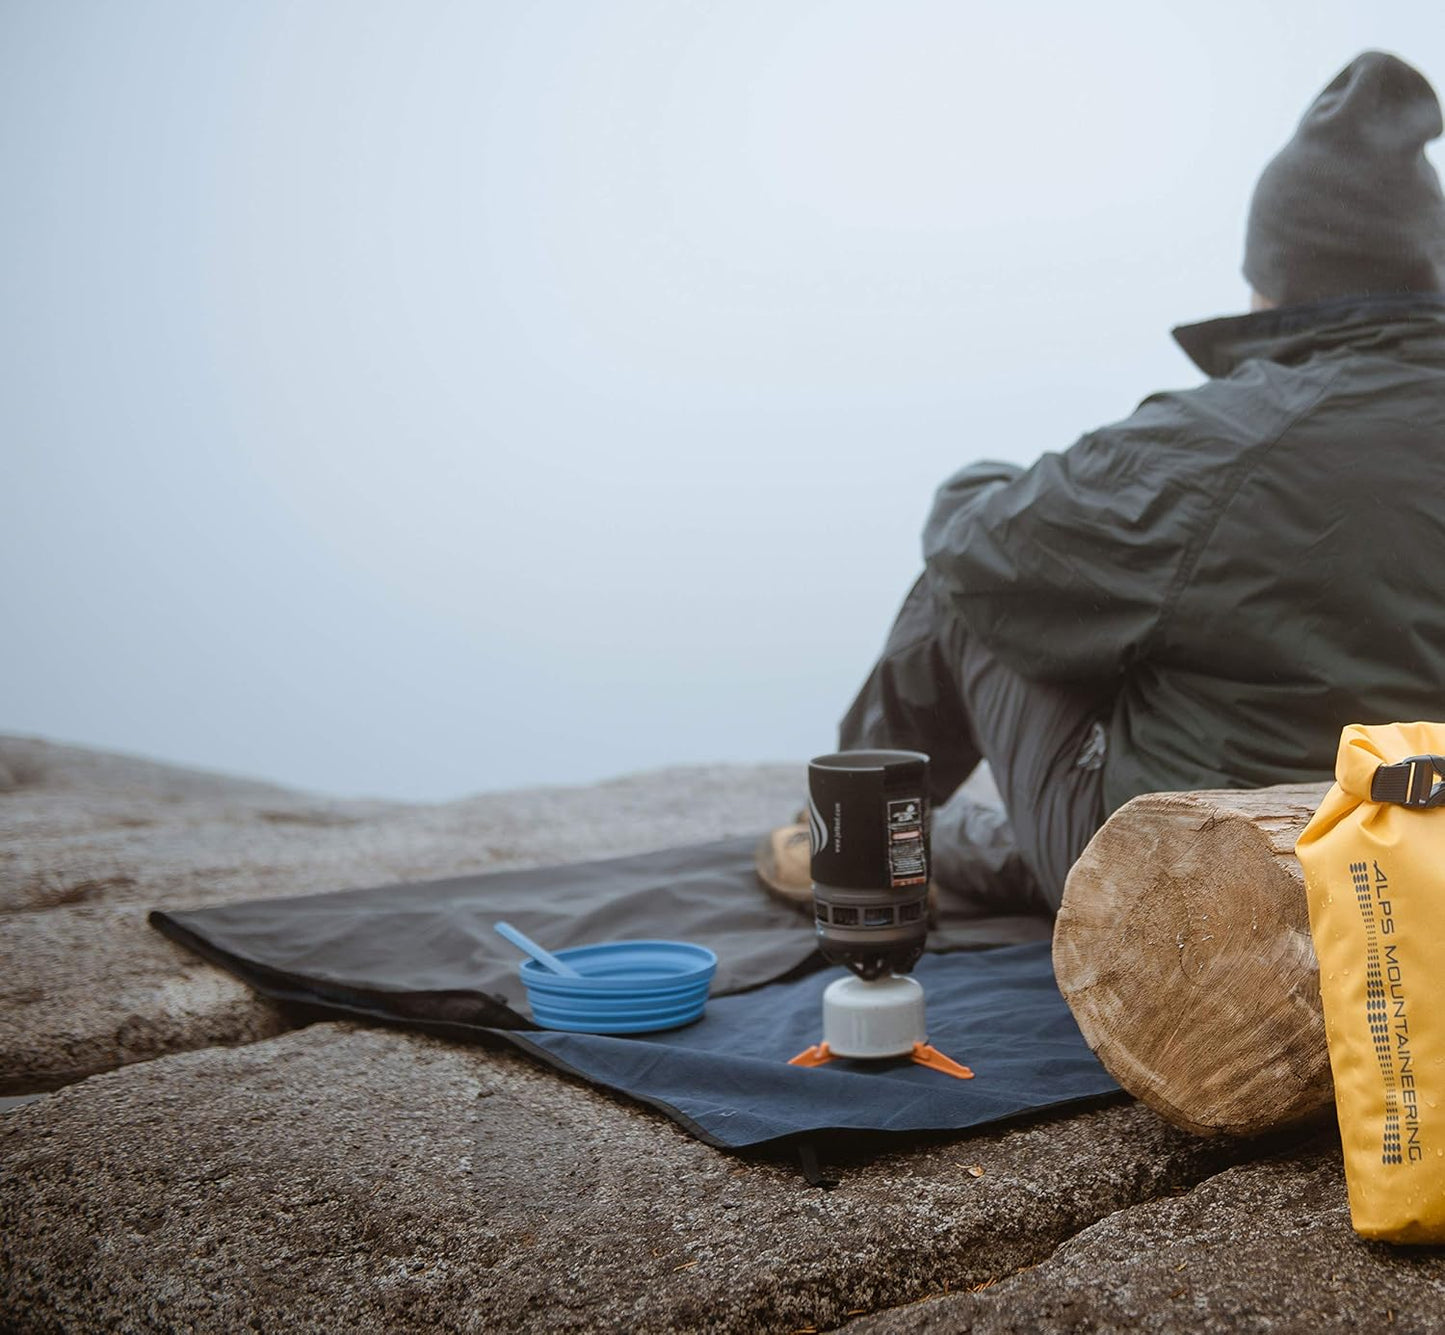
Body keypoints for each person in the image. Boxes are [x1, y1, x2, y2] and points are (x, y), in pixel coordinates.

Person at [762, 50, 1445, 921]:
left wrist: (978, 484)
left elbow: (978, 547)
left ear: (1278, 273)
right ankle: (973, 853)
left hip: (1207, 891)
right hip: (1412, 873)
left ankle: (852, 843)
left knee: (968, 588)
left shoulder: (1231, 438)